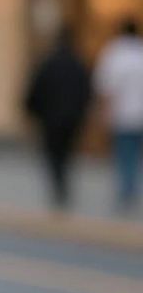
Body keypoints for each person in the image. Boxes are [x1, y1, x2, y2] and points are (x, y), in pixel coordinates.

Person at [23, 23, 92, 210]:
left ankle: (58, 186)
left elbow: (34, 91)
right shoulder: (79, 64)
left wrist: (32, 111)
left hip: (50, 118)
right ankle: (63, 185)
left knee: (53, 154)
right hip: (72, 118)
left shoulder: (47, 63)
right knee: (67, 152)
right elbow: (87, 91)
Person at [93, 15, 143, 213]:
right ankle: (132, 189)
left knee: (124, 154)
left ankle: (126, 190)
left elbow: (106, 87)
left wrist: (103, 113)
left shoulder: (114, 53)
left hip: (122, 113)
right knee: (136, 154)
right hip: (139, 114)